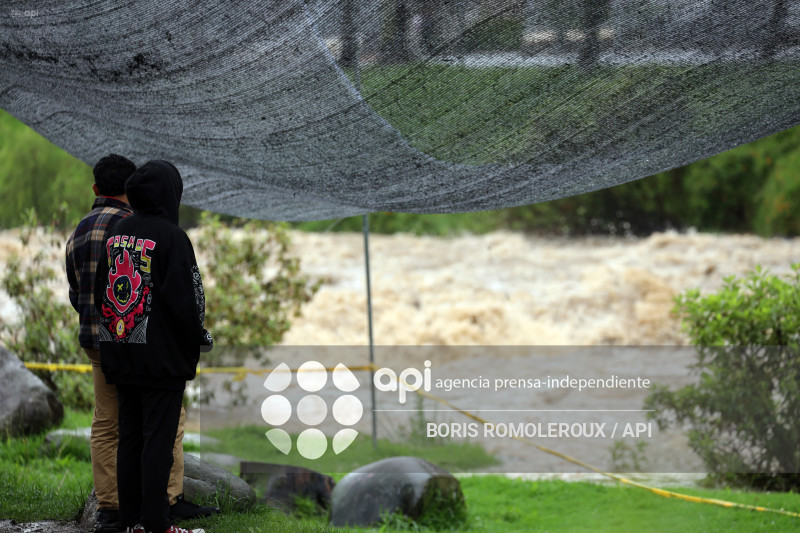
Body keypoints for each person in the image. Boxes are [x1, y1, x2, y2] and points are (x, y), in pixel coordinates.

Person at [66, 155, 214, 533]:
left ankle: (130, 521)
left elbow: (101, 291)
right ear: (169, 194)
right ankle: (157, 524)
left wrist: (116, 337)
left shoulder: (118, 233)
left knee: (128, 439)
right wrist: (196, 340)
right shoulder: (173, 237)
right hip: (161, 361)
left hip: (120, 353)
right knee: (158, 442)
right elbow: (188, 301)